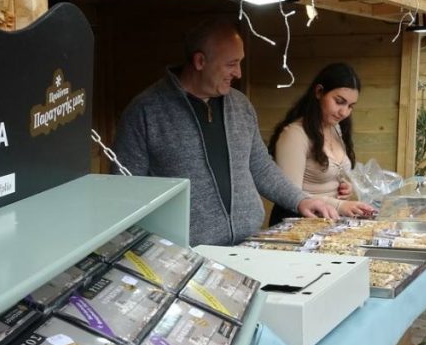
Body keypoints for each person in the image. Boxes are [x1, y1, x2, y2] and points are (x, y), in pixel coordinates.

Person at [113, 16, 338, 247]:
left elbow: (259, 165)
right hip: (186, 254)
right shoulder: (145, 112)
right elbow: (125, 189)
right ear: (200, 61)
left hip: (249, 243)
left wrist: (300, 200)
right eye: (231, 64)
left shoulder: (240, 105)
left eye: (240, 63)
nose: (239, 73)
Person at [267, 63, 375, 224]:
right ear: (319, 92)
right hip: (297, 225)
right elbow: (289, 194)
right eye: (339, 101)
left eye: (350, 106)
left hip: (328, 222)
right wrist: (340, 205)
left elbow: (328, 176)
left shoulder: (336, 128)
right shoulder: (294, 135)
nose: (344, 112)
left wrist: (345, 187)